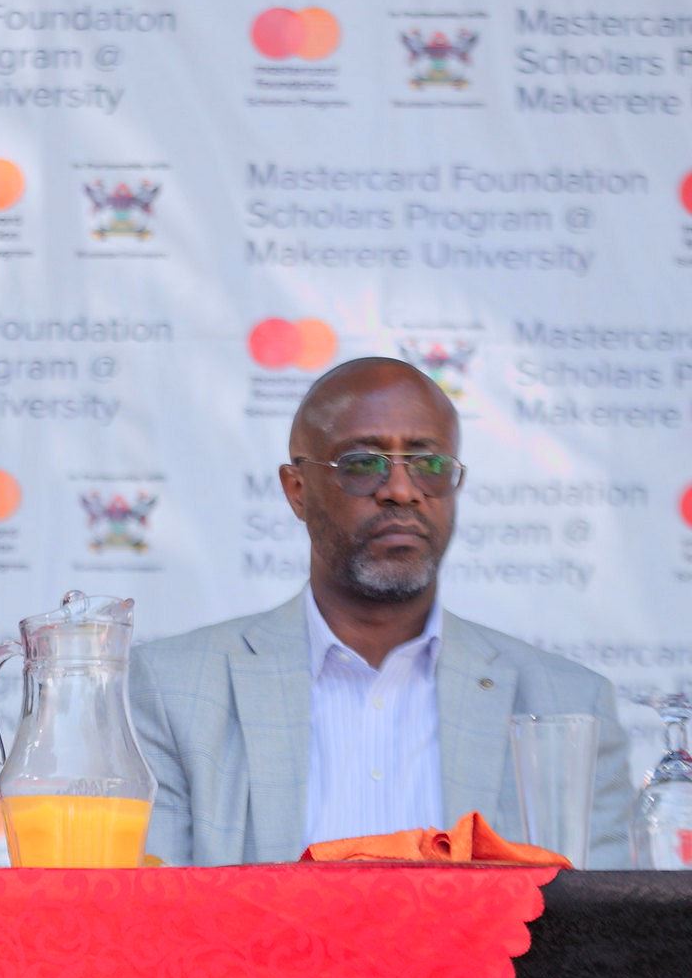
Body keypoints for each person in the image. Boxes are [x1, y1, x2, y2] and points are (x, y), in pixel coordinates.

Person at [129, 356, 631, 866]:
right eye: (363, 464)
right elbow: (156, 920)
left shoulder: (569, 707)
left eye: (429, 465)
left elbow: (598, 934)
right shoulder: (173, 692)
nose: (401, 490)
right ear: (297, 490)